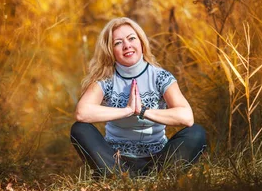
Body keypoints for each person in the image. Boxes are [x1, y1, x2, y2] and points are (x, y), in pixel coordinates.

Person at [70, 17, 207, 177]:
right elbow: (82, 113)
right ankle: (120, 176)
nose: (127, 45)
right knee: (79, 129)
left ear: (141, 42)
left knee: (196, 133)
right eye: (118, 42)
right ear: (111, 50)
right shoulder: (106, 78)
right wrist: (127, 110)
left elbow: (186, 117)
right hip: (116, 160)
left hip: (157, 159)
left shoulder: (159, 76)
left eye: (131, 38)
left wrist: (143, 111)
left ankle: (153, 176)